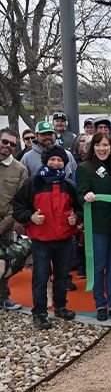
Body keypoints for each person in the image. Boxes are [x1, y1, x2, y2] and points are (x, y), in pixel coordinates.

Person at [13, 145, 81, 330]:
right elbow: (18, 208)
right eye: (53, 159)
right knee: (41, 277)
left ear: (64, 164)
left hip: (65, 239)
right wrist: (31, 217)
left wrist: (77, 217)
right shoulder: (33, 183)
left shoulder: (69, 185)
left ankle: (61, 307)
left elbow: (80, 207)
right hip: (41, 240)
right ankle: (40, 313)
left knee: (61, 275)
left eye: (60, 160)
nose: (56, 163)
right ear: (46, 161)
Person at [76, 133, 111, 321]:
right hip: (97, 225)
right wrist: (86, 196)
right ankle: (100, 304)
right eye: (98, 145)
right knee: (98, 267)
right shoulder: (84, 168)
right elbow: (79, 196)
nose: (102, 148)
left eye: (106, 145)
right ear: (92, 147)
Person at [0, 128, 28, 310]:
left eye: (12, 144)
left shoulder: (20, 170)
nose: (8, 146)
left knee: (4, 265)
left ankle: (3, 298)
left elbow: (19, 203)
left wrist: (3, 226)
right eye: (5, 142)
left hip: (5, 226)